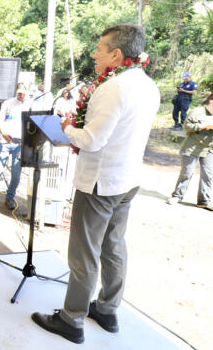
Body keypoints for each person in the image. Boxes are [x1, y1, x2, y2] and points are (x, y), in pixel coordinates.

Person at [32, 24, 160, 344]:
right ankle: (107, 309)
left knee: (84, 253)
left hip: (100, 183)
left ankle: (72, 318)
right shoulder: (148, 86)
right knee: (114, 247)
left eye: (100, 49)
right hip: (127, 180)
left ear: (116, 55)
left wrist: (65, 128)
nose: (95, 54)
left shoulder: (113, 87)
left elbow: (91, 140)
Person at [167, 92, 213, 209]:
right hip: (191, 147)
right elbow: (186, 126)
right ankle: (177, 196)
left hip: (209, 149)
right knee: (187, 173)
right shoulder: (198, 111)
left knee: (208, 175)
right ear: (211, 100)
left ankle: (204, 201)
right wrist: (204, 126)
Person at [0, 85, 30, 210]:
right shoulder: (8, 103)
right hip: (5, 141)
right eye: (19, 93)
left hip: (20, 143)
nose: (21, 96)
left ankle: (10, 197)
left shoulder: (30, 104)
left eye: (23, 93)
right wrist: (3, 134)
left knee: (16, 174)